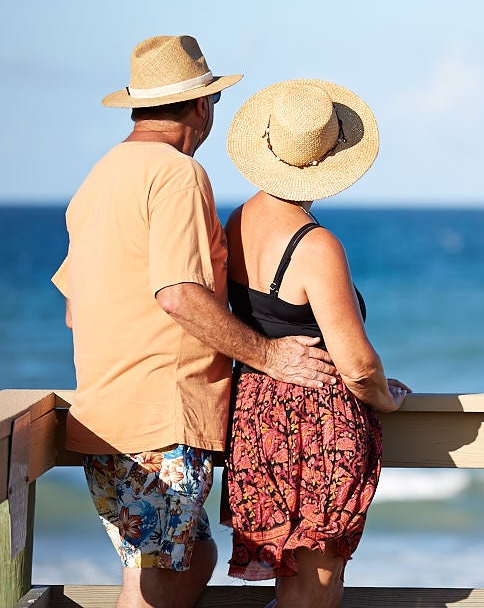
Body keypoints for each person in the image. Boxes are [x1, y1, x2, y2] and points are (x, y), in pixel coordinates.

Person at [51, 36, 338, 608]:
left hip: (106, 415)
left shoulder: (99, 178)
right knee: (164, 582)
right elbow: (179, 293)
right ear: (202, 106)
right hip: (163, 419)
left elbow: (73, 308)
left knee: (174, 563)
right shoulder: (177, 173)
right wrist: (272, 355)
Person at [220, 79, 410, 608]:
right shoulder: (316, 244)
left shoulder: (238, 221)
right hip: (317, 421)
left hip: (259, 413)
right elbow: (355, 362)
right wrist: (385, 396)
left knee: (292, 576)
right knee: (317, 585)